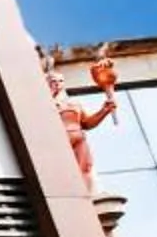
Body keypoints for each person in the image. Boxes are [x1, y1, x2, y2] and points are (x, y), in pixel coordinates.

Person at [48, 54, 121, 188]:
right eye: (53, 81)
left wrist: (104, 110)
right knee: (62, 173)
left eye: (60, 81)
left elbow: (87, 123)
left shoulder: (74, 103)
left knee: (86, 168)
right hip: (59, 140)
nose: (57, 84)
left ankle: (90, 194)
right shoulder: (46, 102)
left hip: (79, 139)